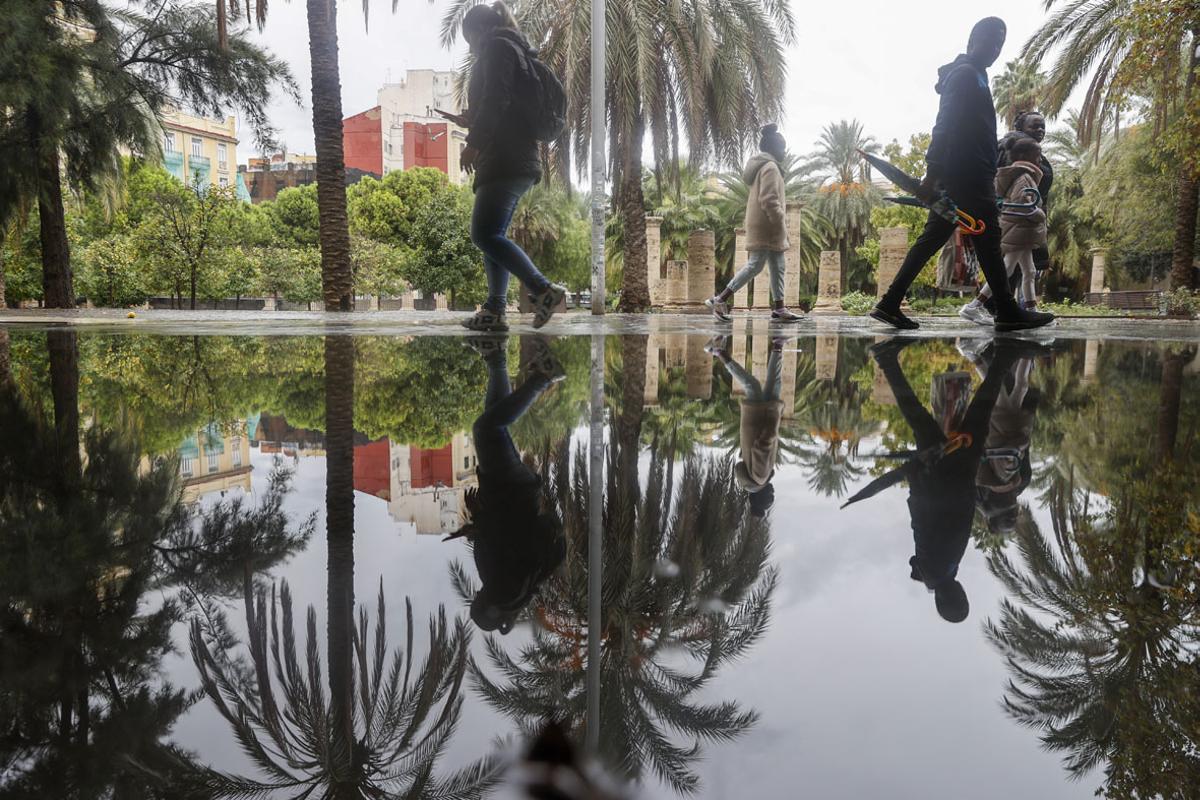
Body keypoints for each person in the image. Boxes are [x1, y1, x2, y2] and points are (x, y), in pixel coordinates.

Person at [869, 17, 1055, 333]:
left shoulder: (976, 75)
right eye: (991, 41)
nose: (996, 49)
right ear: (972, 41)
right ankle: (1007, 310)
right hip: (965, 175)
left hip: (967, 174)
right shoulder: (966, 75)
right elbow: (944, 125)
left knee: (934, 239)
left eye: (1001, 44)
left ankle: (889, 303)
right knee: (988, 236)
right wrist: (932, 173)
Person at [843, 337, 1033, 623]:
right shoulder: (943, 572)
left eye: (961, 598)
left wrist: (919, 475)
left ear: (953, 598)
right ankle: (887, 359)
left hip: (945, 475)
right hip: (950, 477)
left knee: (964, 416)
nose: (963, 594)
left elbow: (924, 523)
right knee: (944, 418)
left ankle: (887, 359)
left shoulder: (937, 569)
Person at [451, 2, 567, 333]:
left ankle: (543, 290)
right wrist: (472, 120)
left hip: (506, 156)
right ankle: (494, 310)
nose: (471, 48)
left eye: (469, 39)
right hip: (510, 156)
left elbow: (496, 99)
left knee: (483, 234)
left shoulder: (497, 47)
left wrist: (473, 142)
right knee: (493, 235)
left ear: (476, 31)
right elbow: (504, 104)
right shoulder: (511, 49)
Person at [448, 335, 566, 634]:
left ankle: (496, 356)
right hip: (509, 489)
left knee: (492, 413)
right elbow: (506, 534)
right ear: (486, 606)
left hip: (510, 490)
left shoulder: (512, 588)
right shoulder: (504, 586)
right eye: (477, 601)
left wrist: (476, 524)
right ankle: (544, 378)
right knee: (486, 428)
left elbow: (502, 538)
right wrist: (478, 516)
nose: (475, 594)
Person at [705, 125, 803, 324]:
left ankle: (779, 307)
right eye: (782, 148)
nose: (784, 152)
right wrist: (780, 223)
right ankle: (719, 299)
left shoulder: (763, 166)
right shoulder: (771, 168)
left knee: (777, 264)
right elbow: (769, 199)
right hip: (768, 226)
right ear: (773, 149)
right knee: (756, 265)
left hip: (762, 224)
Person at [960, 136, 1048, 322]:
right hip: (1020, 230)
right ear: (1025, 155)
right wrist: (1040, 215)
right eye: (1037, 155)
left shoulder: (1022, 176)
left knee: (1029, 271)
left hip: (1021, 231)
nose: (1040, 159)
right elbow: (1022, 207)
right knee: (1007, 269)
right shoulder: (1025, 178)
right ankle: (974, 306)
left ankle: (1032, 310)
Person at [704, 334, 785, 518]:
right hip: (754, 423)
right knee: (773, 384)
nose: (772, 492)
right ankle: (777, 346)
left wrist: (774, 422)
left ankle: (718, 352)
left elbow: (763, 446)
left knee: (752, 386)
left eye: (770, 496)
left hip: (761, 419)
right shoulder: (752, 480)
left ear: (762, 496)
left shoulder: (761, 477)